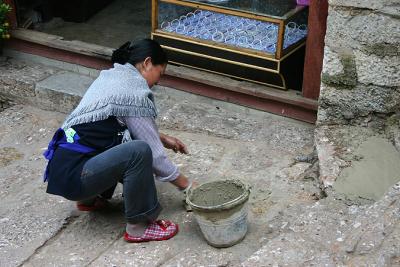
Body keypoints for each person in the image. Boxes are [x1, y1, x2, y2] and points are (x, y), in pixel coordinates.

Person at [43, 39, 192, 243]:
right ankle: (139, 227)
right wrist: (187, 186)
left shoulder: (112, 77)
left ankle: (88, 200)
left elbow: (110, 124)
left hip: (63, 171)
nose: (158, 81)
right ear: (147, 63)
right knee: (139, 151)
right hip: (77, 178)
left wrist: (162, 137)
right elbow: (154, 155)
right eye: (160, 73)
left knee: (113, 142)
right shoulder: (133, 93)